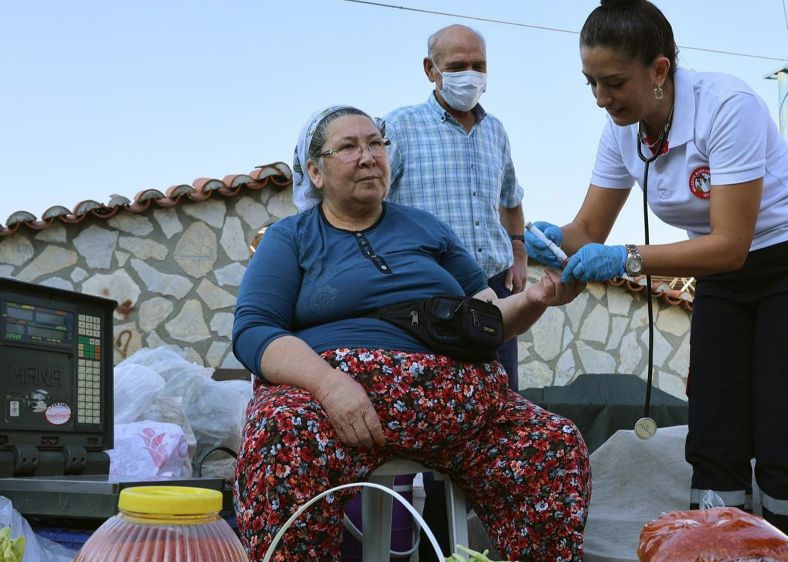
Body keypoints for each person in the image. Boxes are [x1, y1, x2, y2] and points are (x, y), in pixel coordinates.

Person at [526, 0, 788, 555]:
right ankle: (717, 550)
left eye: (614, 82)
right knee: (715, 431)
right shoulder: (622, 131)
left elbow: (730, 245)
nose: (601, 99)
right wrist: (552, 242)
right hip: (725, 271)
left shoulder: (726, 105)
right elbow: (588, 227)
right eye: (591, 83)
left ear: (659, 70)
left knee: (785, 437)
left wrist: (626, 259)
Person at [232, 105, 591, 562]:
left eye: (376, 143)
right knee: (280, 434)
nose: (368, 156)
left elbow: (487, 320)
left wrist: (536, 299)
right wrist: (329, 384)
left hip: (459, 405)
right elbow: (255, 329)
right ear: (315, 172)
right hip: (335, 408)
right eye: (348, 146)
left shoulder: (427, 228)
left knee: (553, 443)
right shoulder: (292, 237)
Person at [383, 24, 527, 391]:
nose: (471, 75)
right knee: (437, 401)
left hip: (495, 291)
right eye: (458, 65)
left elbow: (511, 199)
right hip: (428, 292)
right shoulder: (399, 128)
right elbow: (371, 205)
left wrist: (519, 247)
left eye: (479, 66)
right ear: (431, 70)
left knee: (500, 398)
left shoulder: (495, 130)